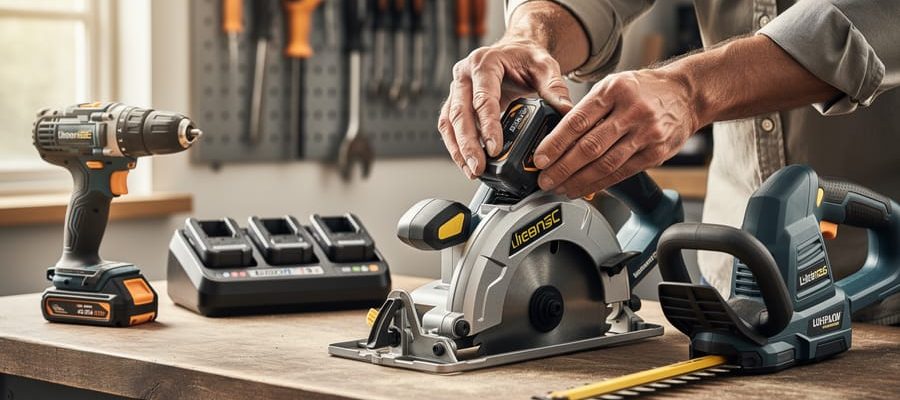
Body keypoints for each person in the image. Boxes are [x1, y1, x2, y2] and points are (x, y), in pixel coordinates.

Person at [437, 0, 900, 324]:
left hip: (884, 279)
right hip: (733, 287)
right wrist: (530, 37)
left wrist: (692, 89)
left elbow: (874, 20)